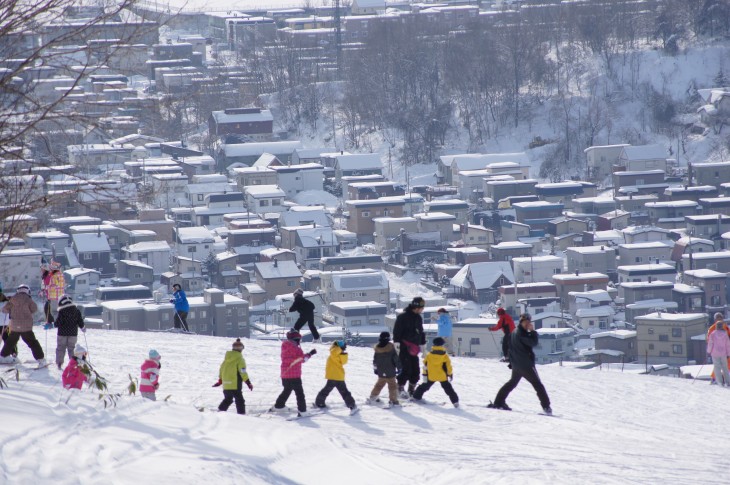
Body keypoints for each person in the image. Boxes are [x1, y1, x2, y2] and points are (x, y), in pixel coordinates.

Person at [488, 313, 552, 415]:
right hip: (526, 365)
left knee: (512, 383)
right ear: (521, 322)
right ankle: (546, 407)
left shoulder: (514, 332)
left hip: (517, 365)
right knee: (538, 385)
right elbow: (533, 342)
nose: (528, 324)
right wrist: (533, 331)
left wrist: (511, 362)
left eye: (529, 322)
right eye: (526, 322)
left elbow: (510, 348)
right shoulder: (521, 334)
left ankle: (499, 401)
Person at [271, 330, 317, 417]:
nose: (299, 341)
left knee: (287, 390)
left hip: (285, 374)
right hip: (294, 375)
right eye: (298, 339)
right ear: (296, 339)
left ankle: (279, 406)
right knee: (299, 393)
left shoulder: (284, 346)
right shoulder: (296, 348)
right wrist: (310, 354)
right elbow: (302, 359)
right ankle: (302, 411)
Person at [0, 284, 45, 367]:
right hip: (26, 327)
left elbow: (5, 309)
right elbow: (34, 309)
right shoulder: (28, 299)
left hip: (15, 326)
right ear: (28, 291)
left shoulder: (13, 299)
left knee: (10, 342)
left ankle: (3, 356)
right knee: (32, 342)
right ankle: (41, 359)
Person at [393, 296, 427, 398]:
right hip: (403, 348)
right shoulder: (402, 317)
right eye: (422, 308)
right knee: (406, 369)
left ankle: (411, 390)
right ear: (416, 307)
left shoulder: (418, 318)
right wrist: (397, 345)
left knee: (416, 370)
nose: (422, 310)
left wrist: (423, 346)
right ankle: (400, 388)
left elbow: (421, 332)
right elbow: (396, 333)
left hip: (414, 348)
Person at [412, 337, 459, 407]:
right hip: (442, 376)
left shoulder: (429, 355)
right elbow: (448, 366)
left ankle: (416, 397)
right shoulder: (445, 356)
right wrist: (450, 374)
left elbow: (425, 365)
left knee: (423, 387)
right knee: (448, 389)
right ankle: (455, 402)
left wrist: (425, 374)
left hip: (431, 376)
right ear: (442, 345)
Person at [315, 340, 358, 415]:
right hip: (338, 376)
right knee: (343, 392)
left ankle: (319, 402)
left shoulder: (334, 352)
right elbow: (343, 361)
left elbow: (334, 351)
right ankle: (352, 405)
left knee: (327, 390)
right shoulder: (341, 354)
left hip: (333, 376)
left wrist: (337, 346)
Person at [215, 338, 253, 414]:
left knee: (228, 399)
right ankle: (241, 414)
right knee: (240, 400)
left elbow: (221, 370)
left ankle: (220, 411)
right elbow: (243, 372)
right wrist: (248, 382)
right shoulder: (240, 359)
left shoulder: (226, 359)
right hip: (235, 383)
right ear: (242, 349)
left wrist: (220, 380)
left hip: (226, 384)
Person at [366, 331, 401, 407]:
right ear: (388, 338)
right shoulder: (391, 348)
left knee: (379, 384)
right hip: (390, 371)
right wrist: (399, 368)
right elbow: (396, 359)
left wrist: (375, 369)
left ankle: (373, 397)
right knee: (392, 386)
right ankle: (393, 400)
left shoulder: (377, 348)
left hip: (381, 371)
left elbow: (375, 360)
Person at [53, 295, 85, 369]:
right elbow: (80, 321)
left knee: (61, 348)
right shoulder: (76, 311)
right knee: (72, 348)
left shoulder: (62, 311)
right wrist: (82, 327)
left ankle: (59, 363)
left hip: (62, 333)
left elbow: (58, 323)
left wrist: (54, 323)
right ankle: (73, 363)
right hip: (73, 334)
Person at [707, 313, 730, 384]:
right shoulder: (712, 329)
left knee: (722, 366)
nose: (719, 319)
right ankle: (716, 379)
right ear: (715, 319)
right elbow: (709, 340)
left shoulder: (726, 327)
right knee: (720, 366)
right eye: (718, 318)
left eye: (720, 318)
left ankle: (721, 380)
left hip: (717, 352)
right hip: (723, 352)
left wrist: (709, 351)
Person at [0, 291, 16, 357]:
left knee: (7, 339)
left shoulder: (7, 303)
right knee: (7, 339)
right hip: (5, 324)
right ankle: (12, 353)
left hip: (5, 324)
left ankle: (13, 353)